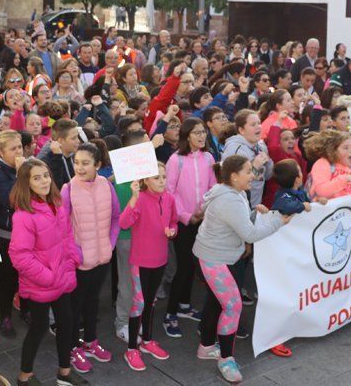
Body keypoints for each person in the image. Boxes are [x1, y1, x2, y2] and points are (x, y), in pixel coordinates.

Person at [193, 155, 292, 383]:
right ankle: (226, 359)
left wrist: (256, 213)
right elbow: (249, 234)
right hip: (214, 259)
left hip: (218, 256)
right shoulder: (229, 199)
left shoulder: (234, 193)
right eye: (248, 171)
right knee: (232, 306)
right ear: (234, 176)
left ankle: (206, 347)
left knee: (216, 302)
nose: (253, 175)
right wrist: (279, 221)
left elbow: (240, 222)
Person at [8, 159, 85, 386]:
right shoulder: (23, 215)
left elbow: (67, 236)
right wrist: (48, 276)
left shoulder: (57, 203)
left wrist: (73, 259)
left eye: (46, 175)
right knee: (39, 328)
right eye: (36, 177)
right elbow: (19, 256)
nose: (44, 181)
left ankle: (64, 372)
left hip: (62, 276)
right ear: (26, 183)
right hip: (42, 283)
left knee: (67, 323)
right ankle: (24, 376)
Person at [61, 143, 118, 372]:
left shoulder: (106, 185)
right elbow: (62, 227)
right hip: (78, 262)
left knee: (93, 303)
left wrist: (111, 245)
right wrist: (76, 253)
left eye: (85, 163)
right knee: (75, 306)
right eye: (76, 163)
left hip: (102, 258)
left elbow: (115, 217)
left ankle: (91, 342)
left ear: (98, 165)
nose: (80, 168)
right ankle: (73, 347)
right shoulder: (68, 189)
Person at [118, 163, 177, 372]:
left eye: (163, 177)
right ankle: (132, 348)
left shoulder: (169, 197)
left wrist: (172, 230)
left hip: (160, 259)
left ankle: (148, 341)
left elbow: (174, 221)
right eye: (156, 177)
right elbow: (124, 223)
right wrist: (133, 198)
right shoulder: (140, 199)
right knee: (139, 303)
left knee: (151, 302)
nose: (161, 181)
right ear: (145, 181)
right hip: (140, 261)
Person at [162, 118, 215, 338]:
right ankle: (170, 314)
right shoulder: (176, 160)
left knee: (193, 266)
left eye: (203, 132)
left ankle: (184, 306)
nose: (201, 136)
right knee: (182, 268)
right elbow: (169, 192)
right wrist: (185, 216)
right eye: (196, 133)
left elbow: (213, 187)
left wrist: (204, 211)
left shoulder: (209, 157)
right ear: (186, 136)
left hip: (202, 220)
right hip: (183, 222)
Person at [0, 130, 23, 338]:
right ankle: (5, 315)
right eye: (13, 148)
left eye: (19, 147)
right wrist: (20, 174)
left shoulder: (22, 169)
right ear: (1, 152)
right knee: (7, 276)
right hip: (4, 235)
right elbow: (11, 199)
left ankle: (24, 308)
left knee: (24, 274)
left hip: (25, 233)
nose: (18, 152)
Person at [222, 110, 273, 208]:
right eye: (253, 124)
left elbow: (267, 176)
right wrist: (254, 166)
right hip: (238, 205)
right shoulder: (235, 149)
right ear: (241, 130)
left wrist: (268, 161)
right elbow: (232, 181)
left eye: (259, 123)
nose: (258, 126)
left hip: (255, 204)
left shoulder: (260, 146)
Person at [304, 130, 351, 199]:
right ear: (333, 151)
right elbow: (321, 191)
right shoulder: (323, 164)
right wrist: (345, 178)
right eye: (346, 148)